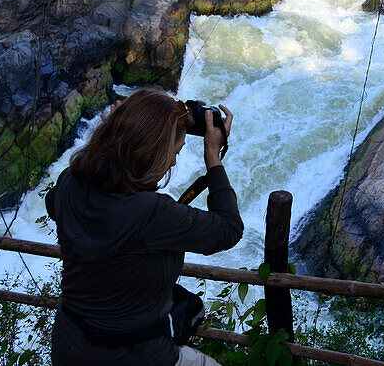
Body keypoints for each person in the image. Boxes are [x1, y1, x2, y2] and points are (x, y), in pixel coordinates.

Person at [46, 88, 243, 366]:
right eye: (173, 152)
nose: (173, 161)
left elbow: (54, 204)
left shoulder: (69, 184)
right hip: (136, 356)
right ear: (151, 154)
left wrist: (114, 135)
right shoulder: (152, 214)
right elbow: (229, 228)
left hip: (70, 346)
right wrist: (213, 154)